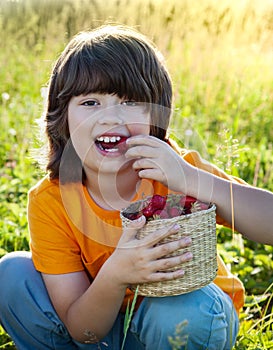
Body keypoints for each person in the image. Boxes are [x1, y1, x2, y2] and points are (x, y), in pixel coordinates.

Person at [0, 24, 272, 350]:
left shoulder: (174, 171)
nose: (110, 118)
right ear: (62, 117)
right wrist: (115, 274)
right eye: (90, 102)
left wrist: (190, 178)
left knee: (185, 308)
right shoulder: (51, 201)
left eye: (130, 102)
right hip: (100, 325)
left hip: (181, 325)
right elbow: (82, 327)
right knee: (12, 277)